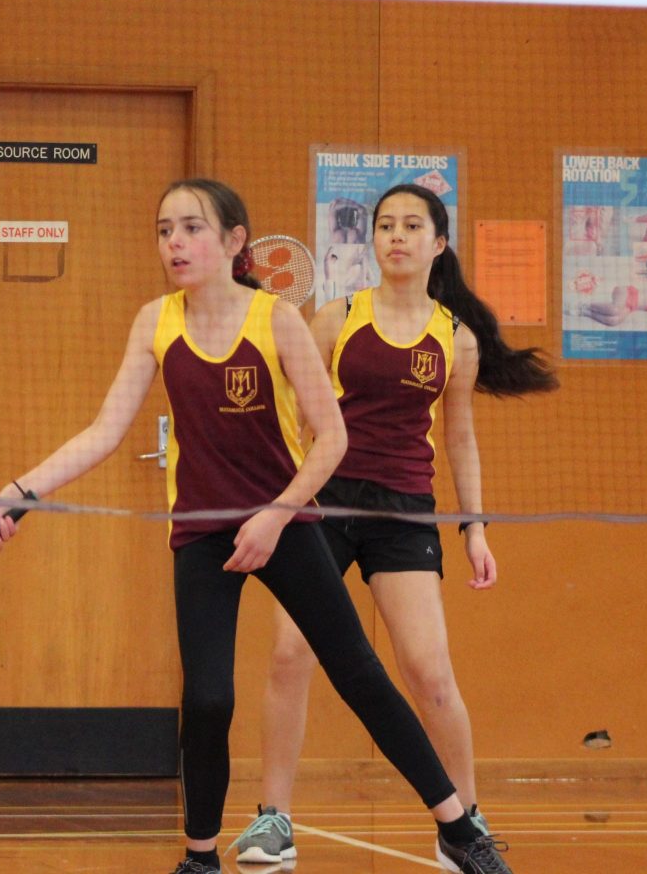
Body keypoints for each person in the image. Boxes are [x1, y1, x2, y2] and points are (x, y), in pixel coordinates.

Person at [0, 179, 514, 874]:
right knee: (206, 697)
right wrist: (18, 492)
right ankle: (202, 857)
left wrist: (278, 514)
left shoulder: (278, 320)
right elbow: (104, 431)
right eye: (165, 230)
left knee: (360, 673)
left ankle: (455, 823)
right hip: (202, 531)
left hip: (286, 519)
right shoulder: (155, 321)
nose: (175, 242)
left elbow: (331, 438)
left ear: (234, 243)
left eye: (192, 228)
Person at [235, 183, 556, 871]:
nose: (397, 236)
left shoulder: (456, 338)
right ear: (373, 241)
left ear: (438, 243)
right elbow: (292, 413)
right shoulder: (338, 317)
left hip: (404, 509)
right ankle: (274, 820)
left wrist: (474, 530)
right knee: (291, 654)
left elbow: (461, 440)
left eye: (413, 226)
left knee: (429, 671)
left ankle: (464, 824)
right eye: (386, 226)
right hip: (324, 503)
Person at [579, 285, 647, 326]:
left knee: (614, 321)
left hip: (631, 306)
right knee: (615, 310)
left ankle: (587, 313)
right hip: (627, 292)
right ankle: (587, 305)